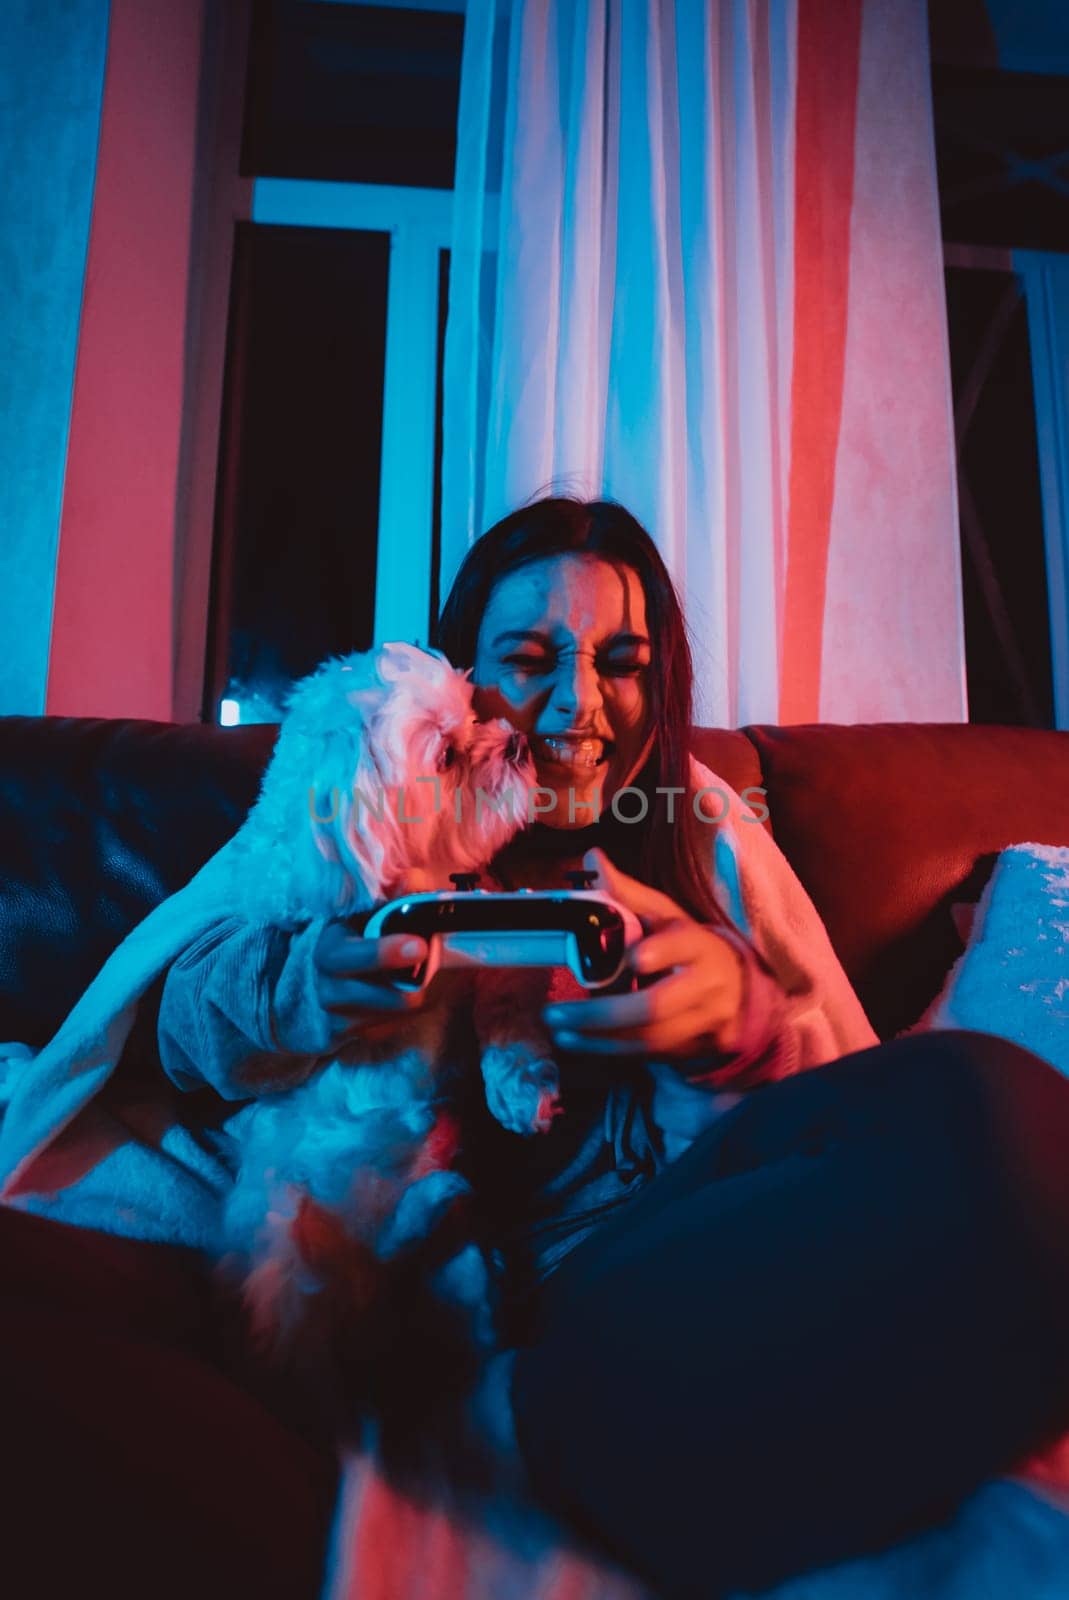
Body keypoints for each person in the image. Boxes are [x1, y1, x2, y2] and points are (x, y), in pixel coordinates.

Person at [4, 496, 1069, 1599]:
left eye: (621, 660)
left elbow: (840, 1119)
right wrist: (303, 984)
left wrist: (736, 1025)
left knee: (983, 1106)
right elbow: (177, 1016)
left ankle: (548, 1452)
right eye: (525, 658)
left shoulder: (705, 831)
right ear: (458, 679)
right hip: (409, 1308)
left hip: (643, 1290)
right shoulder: (363, 811)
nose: (578, 704)